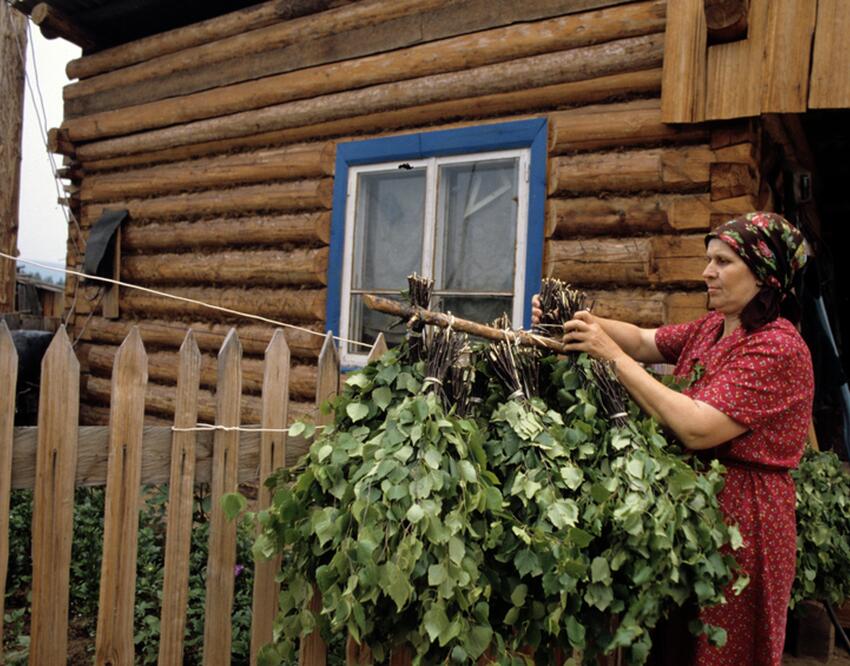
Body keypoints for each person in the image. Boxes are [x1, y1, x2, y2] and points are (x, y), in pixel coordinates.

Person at [533, 212, 814, 666]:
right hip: (694, 508)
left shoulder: (777, 348)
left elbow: (697, 426)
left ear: (764, 274)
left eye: (723, 262)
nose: (707, 272)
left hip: (744, 522)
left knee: (723, 646)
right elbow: (644, 340)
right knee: (678, 644)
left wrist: (609, 356)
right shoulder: (712, 328)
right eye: (708, 259)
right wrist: (580, 325)